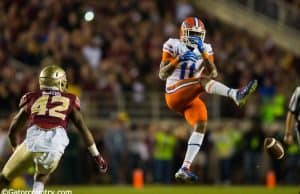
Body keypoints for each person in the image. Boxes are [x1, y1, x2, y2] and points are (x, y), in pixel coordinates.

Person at [158, 17, 257, 182]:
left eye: (199, 34)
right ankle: (235, 94)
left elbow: (213, 73)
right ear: (184, 33)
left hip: (191, 98)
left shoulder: (206, 48)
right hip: (174, 93)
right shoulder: (173, 44)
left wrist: (204, 53)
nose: (196, 38)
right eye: (193, 34)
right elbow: (162, 74)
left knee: (202, 122)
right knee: (200, 80)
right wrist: (177, 60)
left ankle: (185, 167)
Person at [0, 65, 107, 193]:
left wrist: (15, 149)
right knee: (43, 174)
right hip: (56, 144)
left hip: (33, 142)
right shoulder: (70, 99)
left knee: (4, 179)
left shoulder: (32, 98)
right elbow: (83, 130)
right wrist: (97, 155)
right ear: (59, 82)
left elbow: (14, 128)